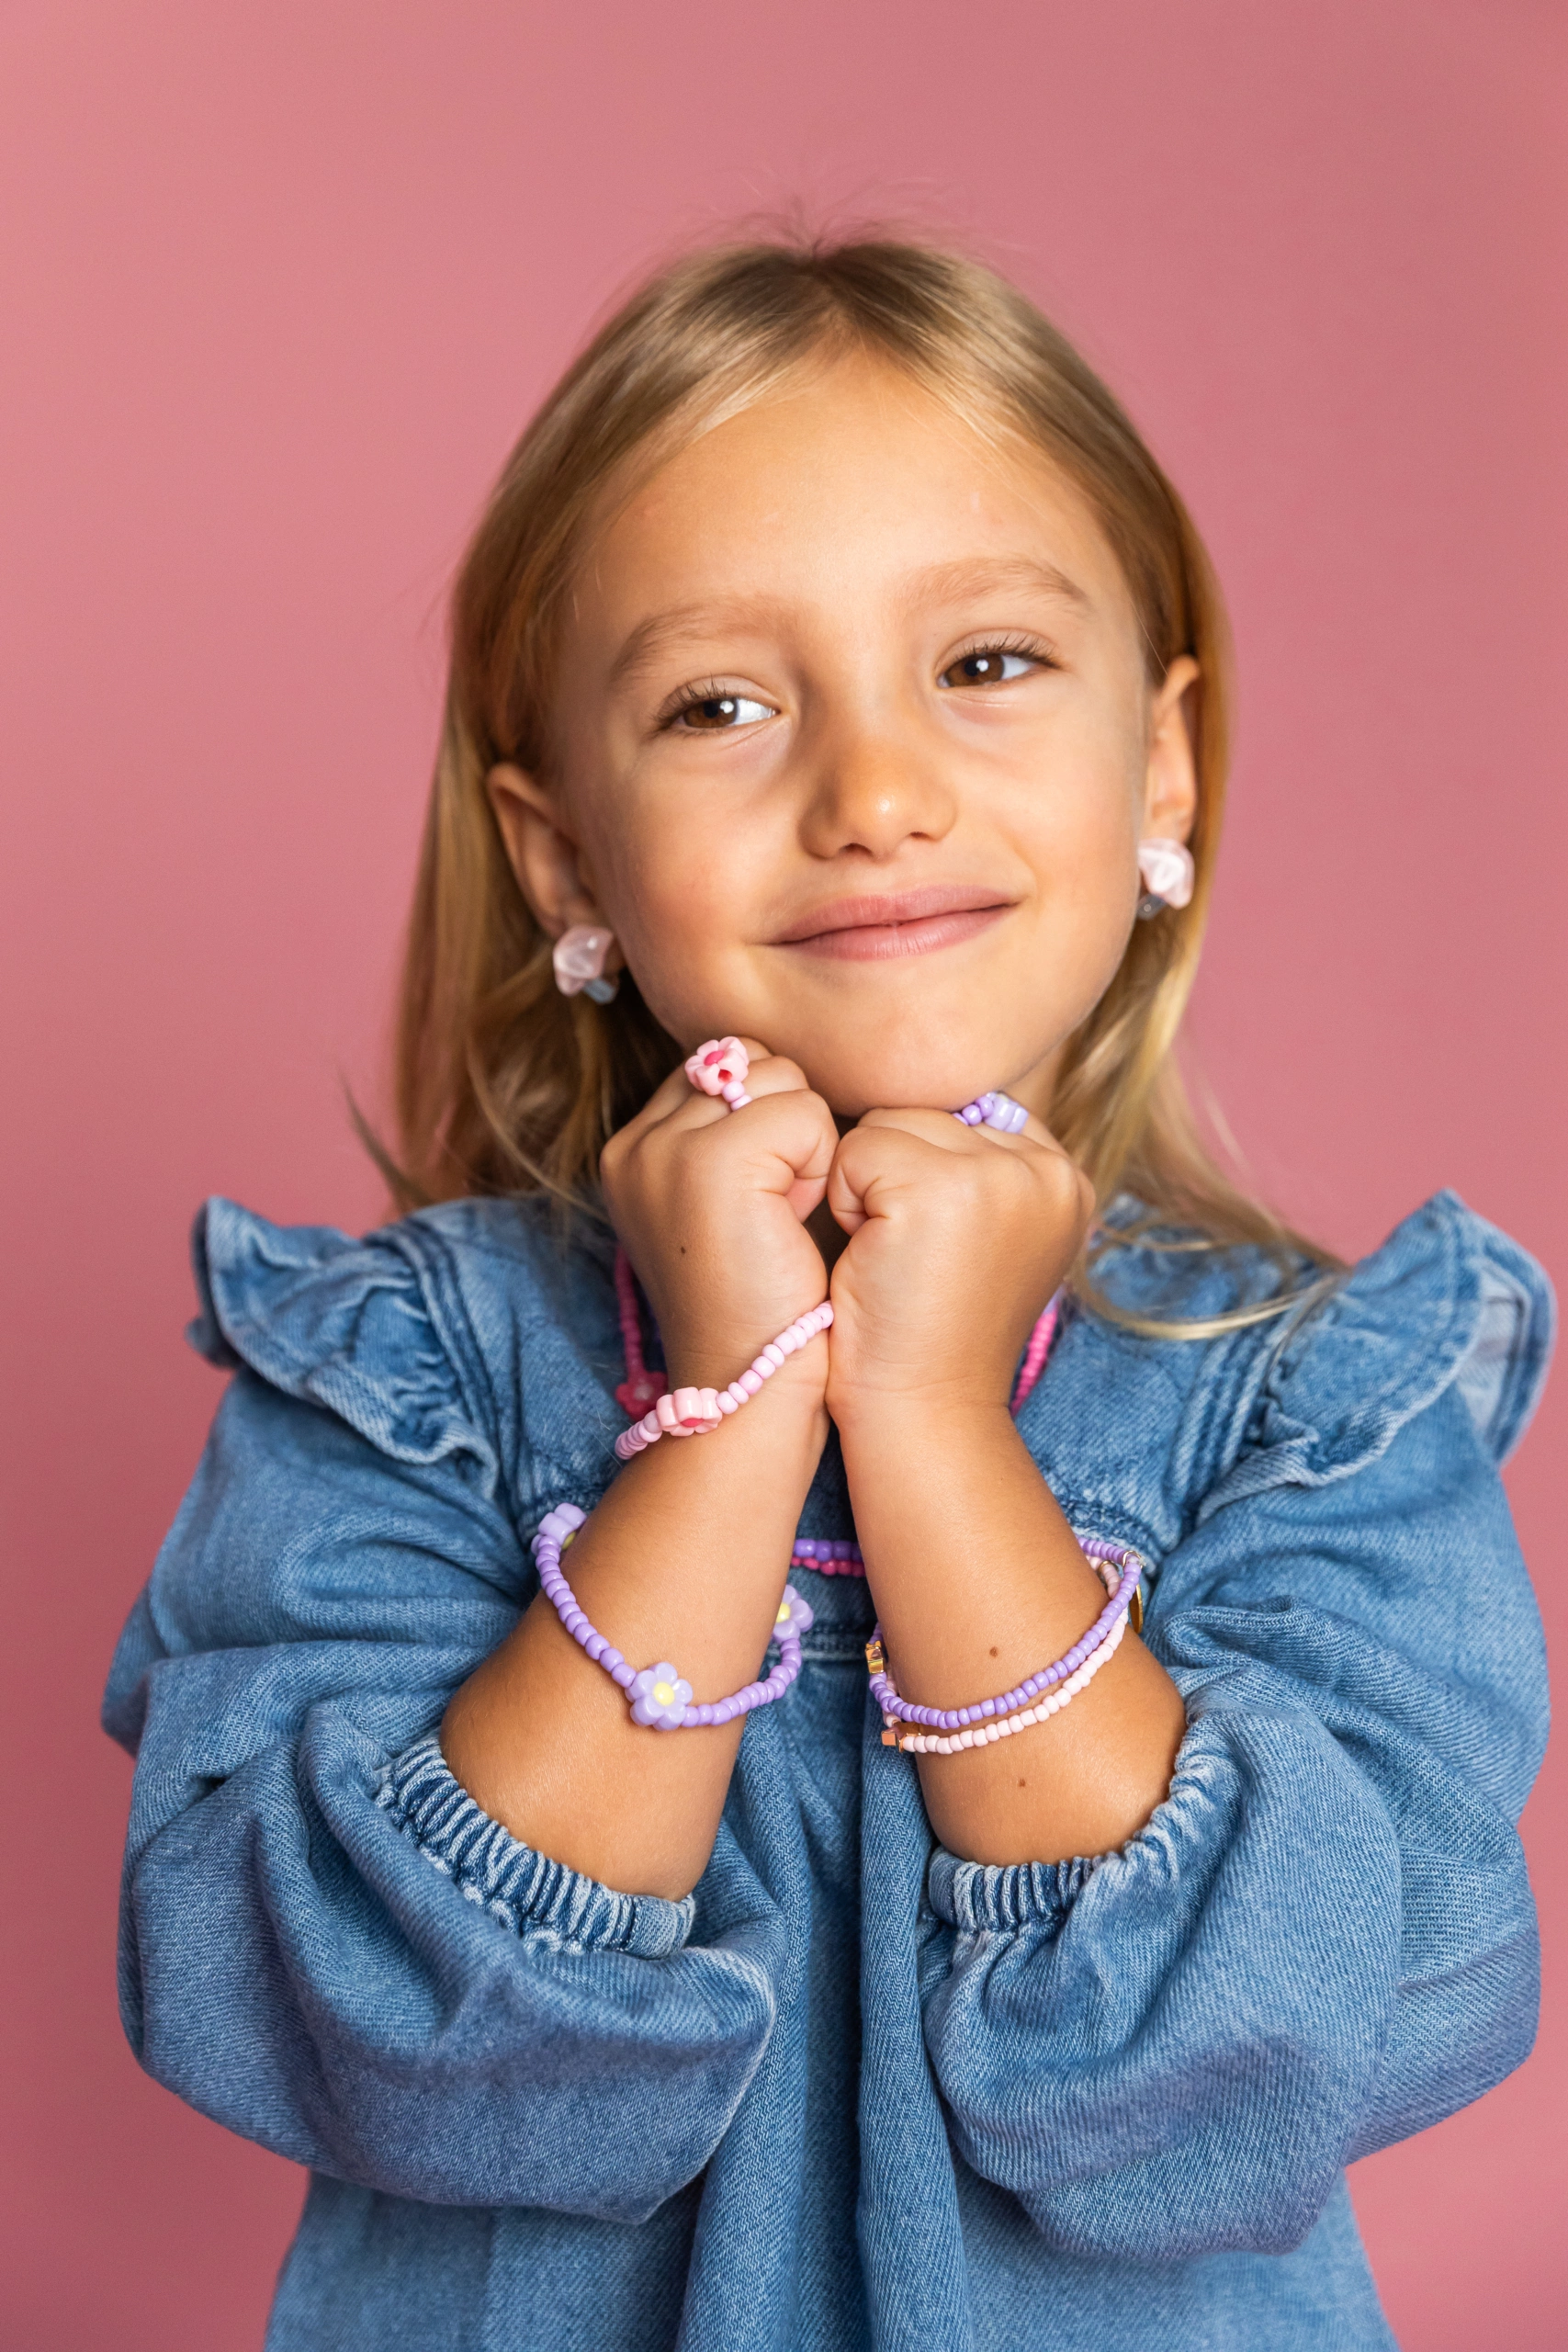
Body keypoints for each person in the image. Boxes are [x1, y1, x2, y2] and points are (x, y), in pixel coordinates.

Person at [103, 236, 1552, 2352]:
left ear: (1160, 769)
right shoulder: (399, 1378)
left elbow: (1261, 2049)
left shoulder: (1314, 1404)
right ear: (565, 859)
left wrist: (937, 1424)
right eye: (719, 703)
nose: (872, 792)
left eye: (985, 661)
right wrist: (738, 1402)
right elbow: (359, 2029)